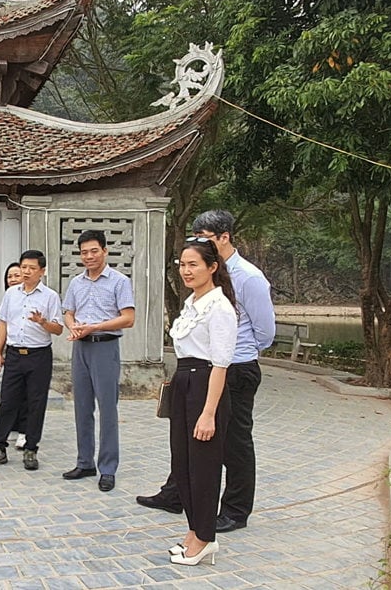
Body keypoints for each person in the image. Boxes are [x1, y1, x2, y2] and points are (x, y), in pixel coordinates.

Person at [137, 210, 275, 533]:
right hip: (200, 370)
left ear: (224, 238)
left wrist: (236, 351)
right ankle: (177, 494)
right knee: (188, 436)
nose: (191, 261)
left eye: (206, 242)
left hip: (235, 368)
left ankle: (235, 510)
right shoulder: (202, 282)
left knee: (233, 441)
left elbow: (266, 332)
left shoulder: (249, 278)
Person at [165, 237, 238, 565]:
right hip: (184, 382)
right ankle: (195, 530)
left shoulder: (220, 307)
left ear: (213, 267)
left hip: (206, 386)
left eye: (193, 264)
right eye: (182, 264)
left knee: (204, 467)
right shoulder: (192, 303)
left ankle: (205, 537)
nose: (186, 270)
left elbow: (220, 364)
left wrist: (209, 413)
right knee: (183, 463)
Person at [62, 230, 135, 492]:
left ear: (104, 251)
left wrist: (95, 326)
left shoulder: (119, 281)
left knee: (107, 409)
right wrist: (73, 326)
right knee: (82, 407)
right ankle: (85, 462)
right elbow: (68, 313)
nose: (89, 256)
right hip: (80, 348)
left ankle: (107, 468)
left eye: (94, 251)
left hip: (105, 347)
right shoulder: (76, 283)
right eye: (84, 252)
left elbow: (128, 318)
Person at [0, 250, 63, 471]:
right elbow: (3, 324)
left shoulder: (50, 296)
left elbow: (58, 329)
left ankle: (31, 449)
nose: (26, 271)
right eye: (23, 267)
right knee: (7, 401)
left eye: (31, 268)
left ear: (42, 271)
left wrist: (42, 322)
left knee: (36, 403)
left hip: (39, 356)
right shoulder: (11, 294)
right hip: (15, 354)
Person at [1, 262, 27, 449]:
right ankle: (12, 426)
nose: (13, 279)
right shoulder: (8, 298)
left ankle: (24, 431)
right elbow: (2, 325)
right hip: (12, 351)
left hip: (32, 351)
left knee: (26, 394)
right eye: (9, 276)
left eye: (16, 275)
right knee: (10, 394)